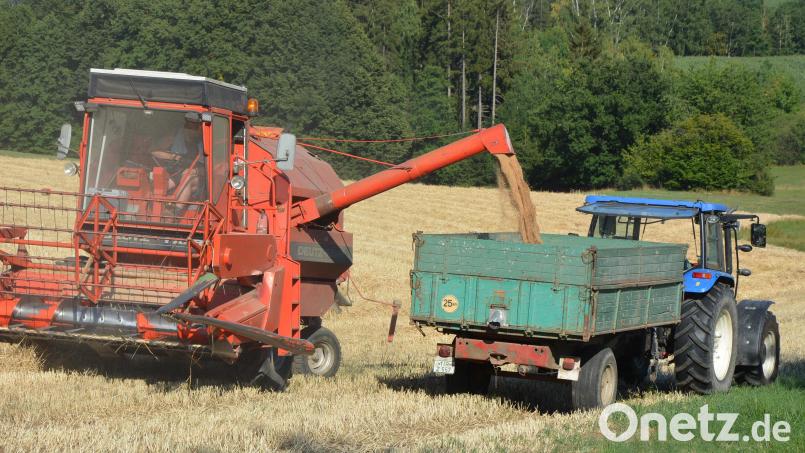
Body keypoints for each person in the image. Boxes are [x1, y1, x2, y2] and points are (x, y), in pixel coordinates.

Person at [150, 122, 205, 204]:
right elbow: (154, 151)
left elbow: (210, 171)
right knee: (159, 184)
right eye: (189, 127)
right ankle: (153, 207)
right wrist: (174, 157)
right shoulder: (174, 136)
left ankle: (176, 212)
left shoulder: (205, 144)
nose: (191, 131)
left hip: (196, 178)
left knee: (187, 179)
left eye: (195, 128)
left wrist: (195, 171)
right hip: (174, 172)